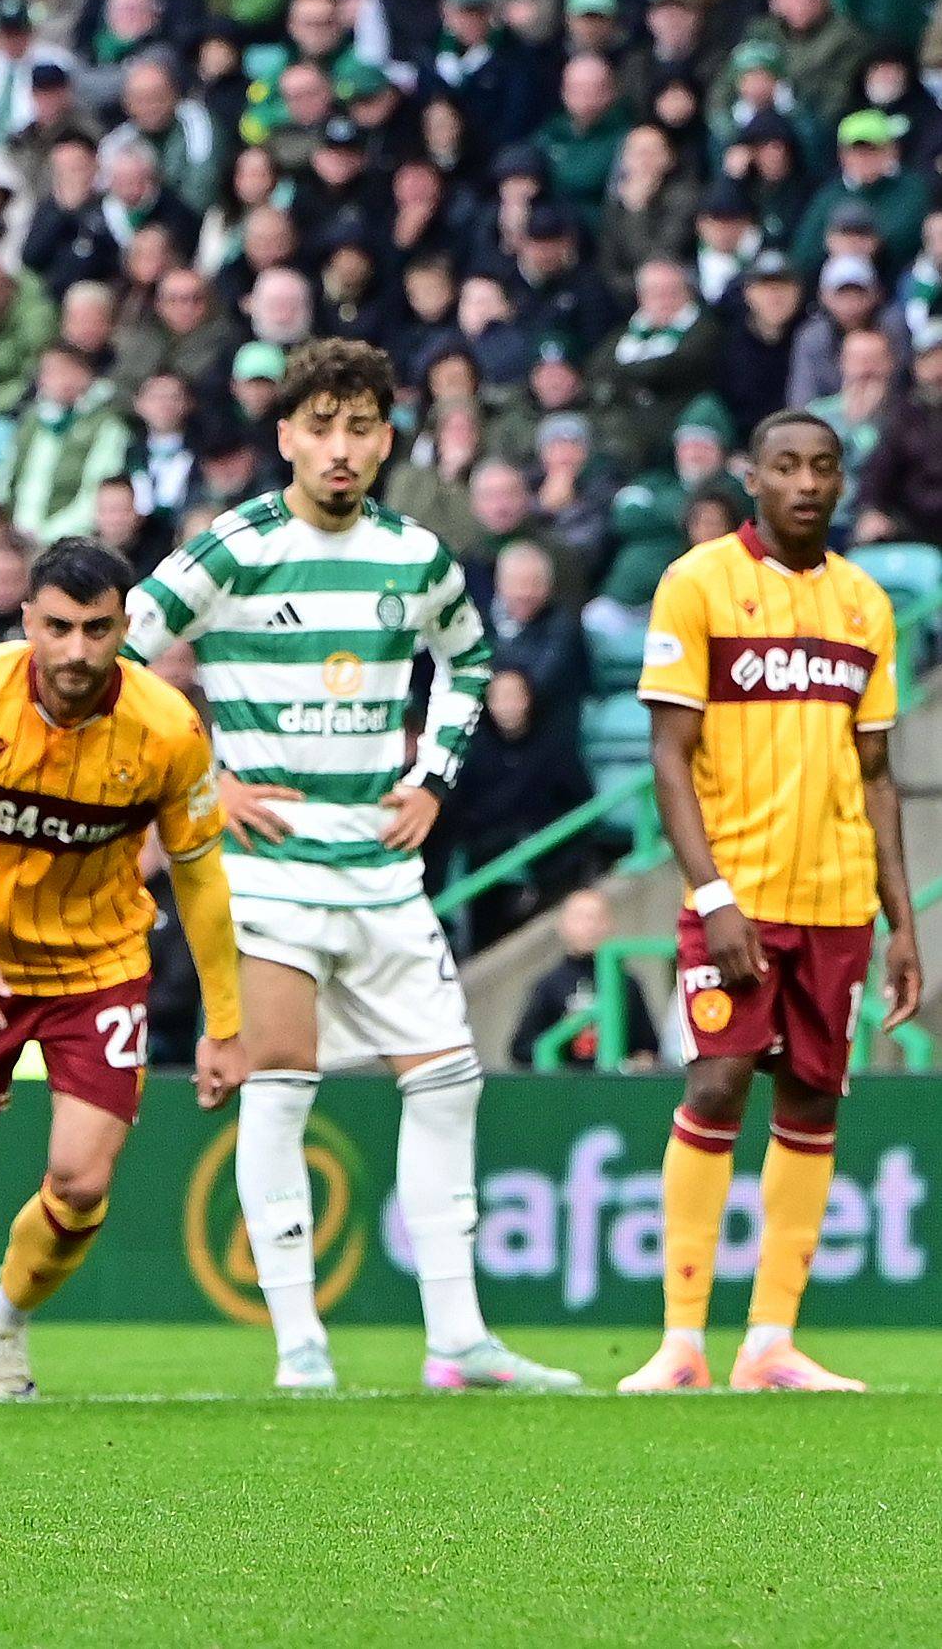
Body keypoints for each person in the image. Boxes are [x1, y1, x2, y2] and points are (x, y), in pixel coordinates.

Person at [124, 338, 579, 1393]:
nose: (339, 448)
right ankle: (300, 1346)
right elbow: (120, 657)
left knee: (448, 1082)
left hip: (379, 868)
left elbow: (468, 658)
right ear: (285, 435)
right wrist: (203, 785)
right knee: (283, 1086)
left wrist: (431, 779)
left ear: (385, 442)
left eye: (360, 428)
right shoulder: (229, 547)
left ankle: (457, 1340)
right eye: (321, 427)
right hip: (268, 871)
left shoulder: (415, 555)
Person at [0, 538, 246, 1397]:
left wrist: (225, 1021)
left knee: (81, 1181)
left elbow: (200, 874)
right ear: (26, 620)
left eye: (96, 629)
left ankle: (2, 1325)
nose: (75, 650)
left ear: (124, 627)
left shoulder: (168, 729)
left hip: (97, 966)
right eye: (57, 627)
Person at [623, 410, 918, 1395]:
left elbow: (874, 773)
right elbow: (667, 754)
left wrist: (901, 923)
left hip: (836, 898)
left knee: (810, 1101)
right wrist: (711, 894)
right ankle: (679, 1341)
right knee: (716, 1083)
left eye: (821, 466)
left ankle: (769, 1342)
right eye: (784, 466)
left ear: (840, 481)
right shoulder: (697, 581)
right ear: (751, 478)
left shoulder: (862, 603)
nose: (804, 482)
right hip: (736, 895)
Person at [508, 889, 660, 1071]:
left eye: (597, 918)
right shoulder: (548, 985)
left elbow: (649, 1048)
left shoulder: (627, 984)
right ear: (562, 925)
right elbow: (521, 1050)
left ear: (610, 924)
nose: (590, 926)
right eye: (580, 917)